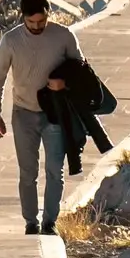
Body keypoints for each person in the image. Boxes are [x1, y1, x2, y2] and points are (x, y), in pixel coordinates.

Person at [0, 0, 81, 235]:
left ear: (48, 15)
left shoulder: (64, 36)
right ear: (22, 17)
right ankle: (31, 222)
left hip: (55, 112)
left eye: (41, 21)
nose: (37, 27)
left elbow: (81, 69)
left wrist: (64, 84)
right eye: (31, 22)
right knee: (28, 172)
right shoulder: (11, 40)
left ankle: (50, 222)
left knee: (56, 170)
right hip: (23, 112)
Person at [38, 39, 116, 179]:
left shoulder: (63, 35)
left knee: (83, 105)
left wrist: (66, 84)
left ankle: (79, 151)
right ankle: (87, 147)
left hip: (76, 87)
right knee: (70, 108)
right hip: (55, 96)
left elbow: (83, 67)